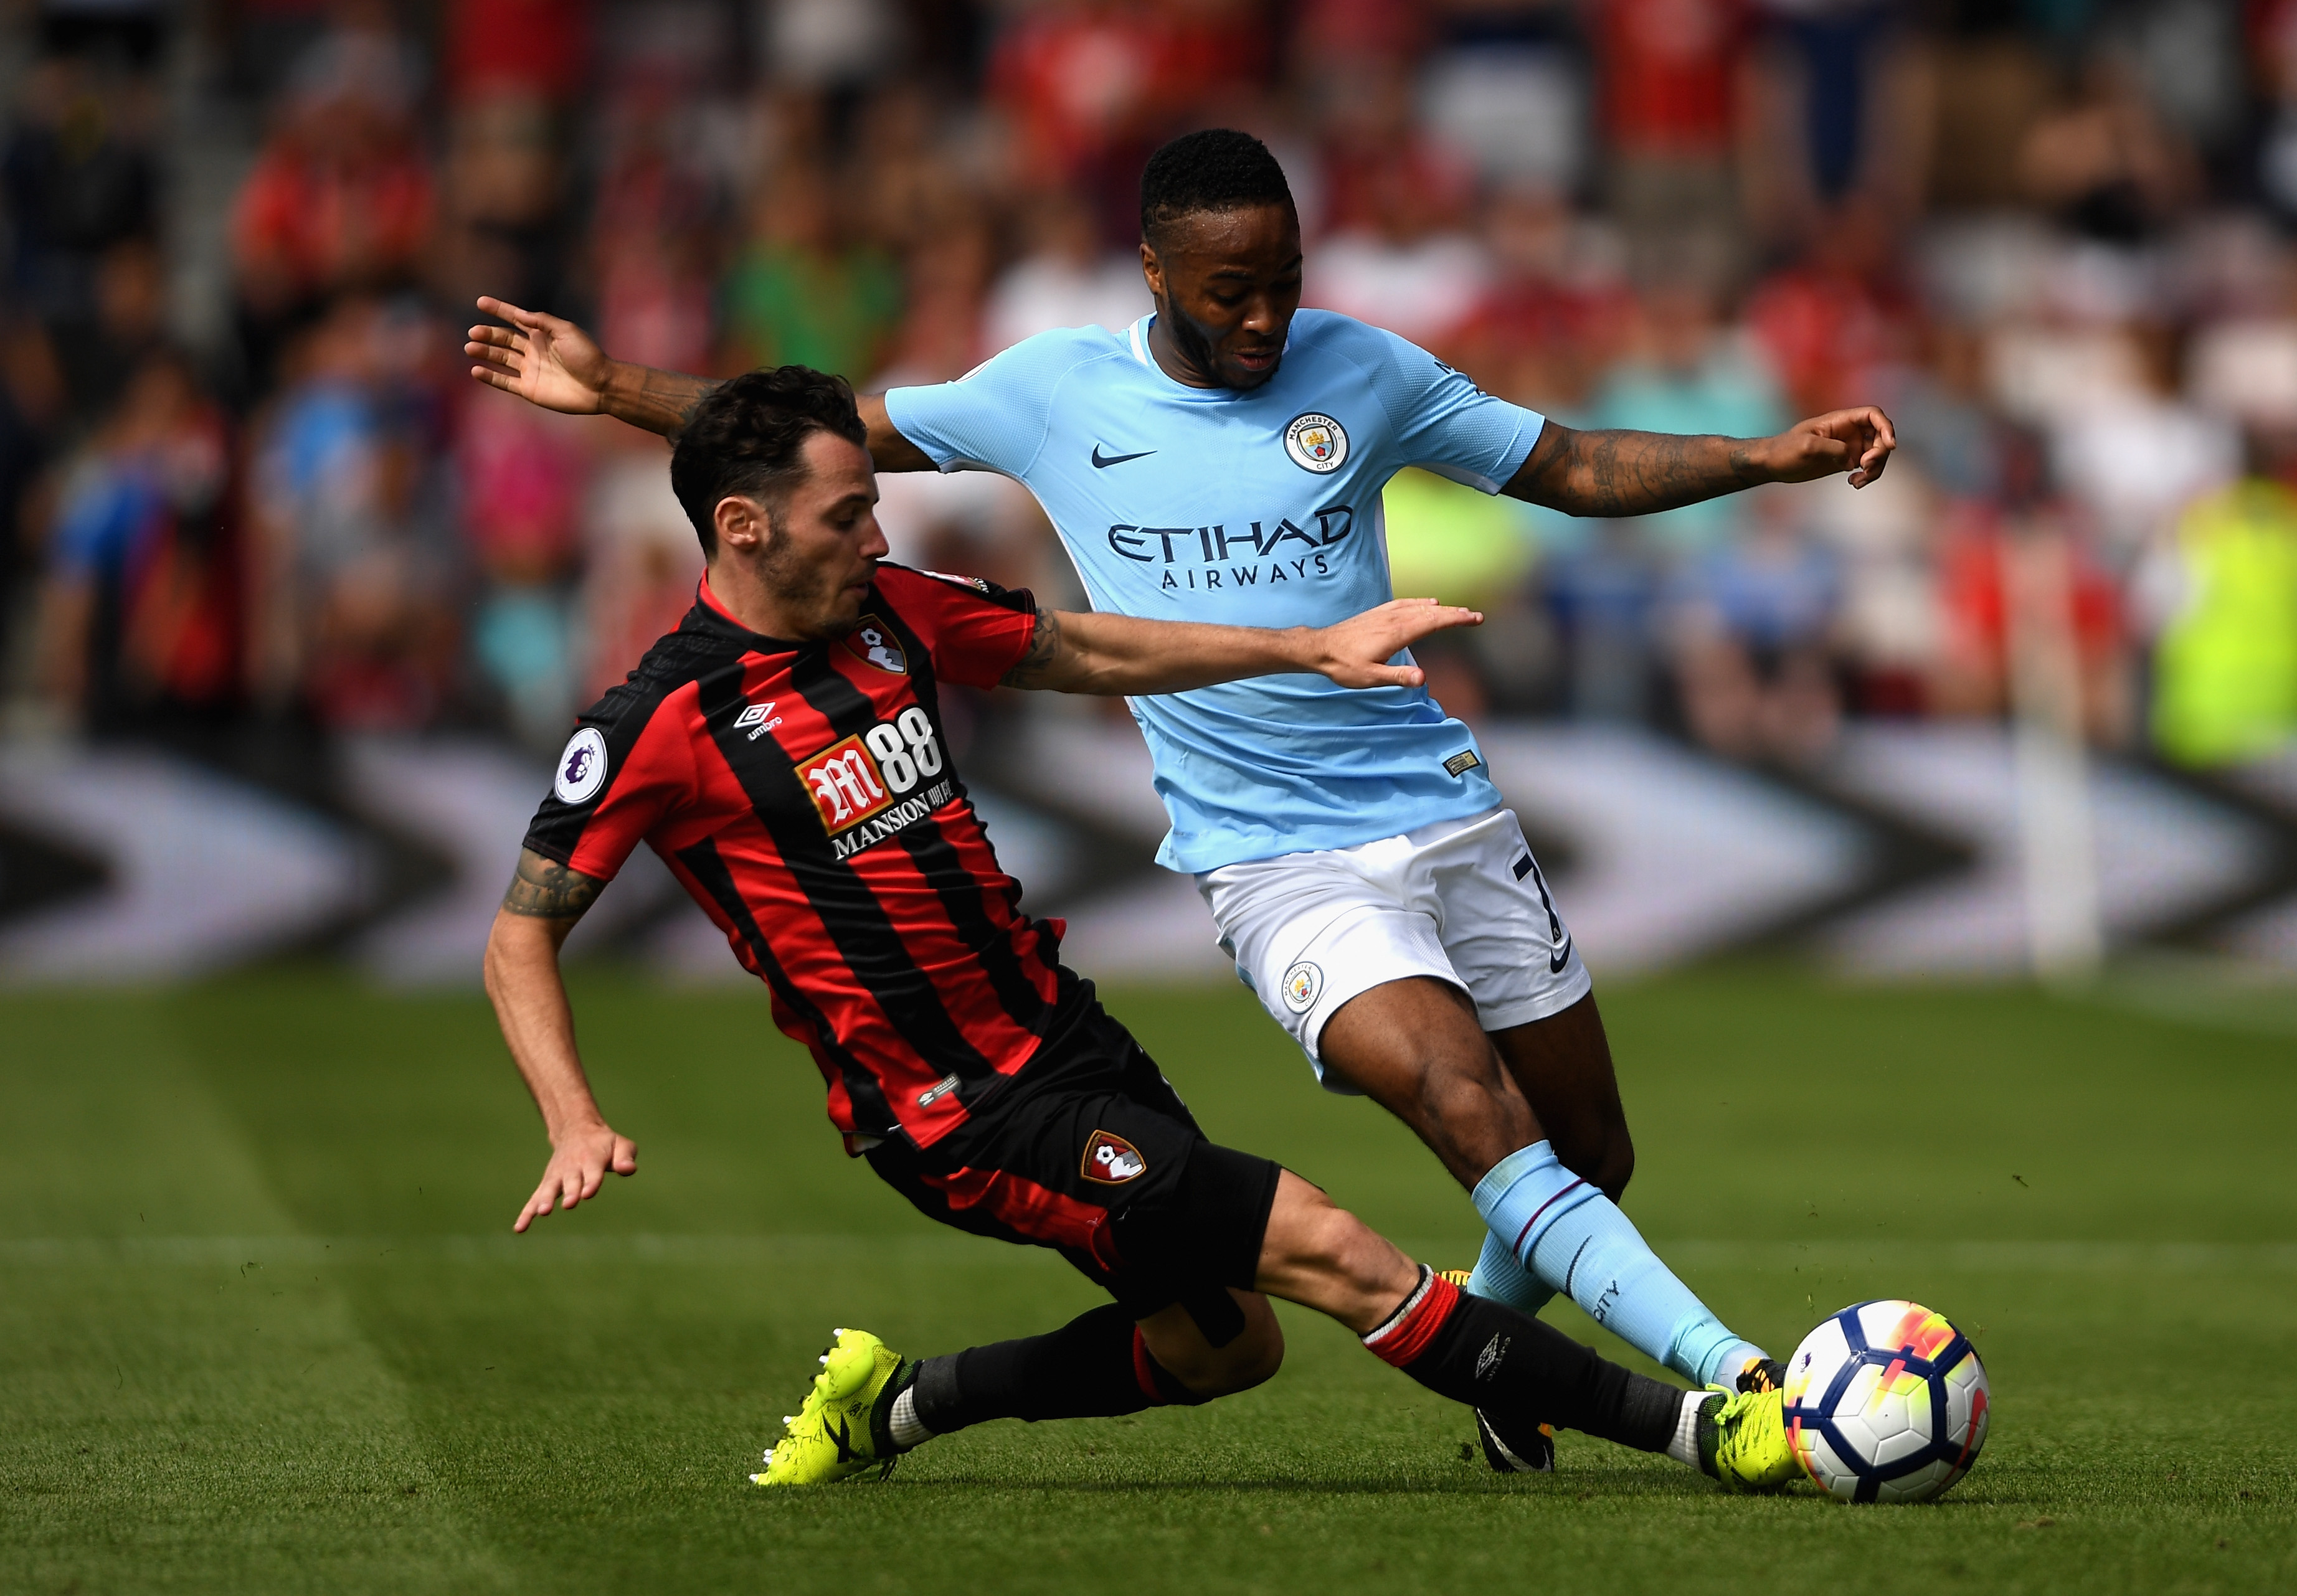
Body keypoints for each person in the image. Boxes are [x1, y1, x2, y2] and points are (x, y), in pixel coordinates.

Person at [467, 128, 1898, 1466]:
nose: (1266, 319)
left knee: (1584, 1151)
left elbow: (1567, 462)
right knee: (1467, 1107)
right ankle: (1742, 1389)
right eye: (1232, 294)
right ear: (1152, 272)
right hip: (1274, 861)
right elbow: (813, 437)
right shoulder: (1050, 391)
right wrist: (613, 394)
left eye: (1283, 284)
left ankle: (1500, 1369)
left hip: (1442, 806)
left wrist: (1760, 457)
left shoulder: (1365, 369)